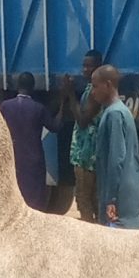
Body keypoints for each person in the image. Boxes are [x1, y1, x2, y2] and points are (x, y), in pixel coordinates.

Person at [91, 64, 139, 230]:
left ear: (107, 85)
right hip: (128, 190)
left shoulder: (114, 115)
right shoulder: (121, 111)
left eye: (95, 86)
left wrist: (111, 199)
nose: (92, 92)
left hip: (119, 195)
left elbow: (116, 159)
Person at [0, 73, 56, 211]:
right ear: (33, 87)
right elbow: (55, 127)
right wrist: (63, 108)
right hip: (33, 158)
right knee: (34, 195)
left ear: (17, 86)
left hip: (13, 156)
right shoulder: (38, 108)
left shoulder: (5, 106)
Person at [56, 51, 103, 218]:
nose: (85, 69)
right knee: (92, 198)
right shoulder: (90, 89)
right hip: (86, 152)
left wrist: (70, 93)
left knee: (84, 199)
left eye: (90, 66)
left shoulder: (95, 93)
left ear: (98, 68)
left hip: (86, 154)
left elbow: (82, 120)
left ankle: (90, 228)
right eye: (84, 66)